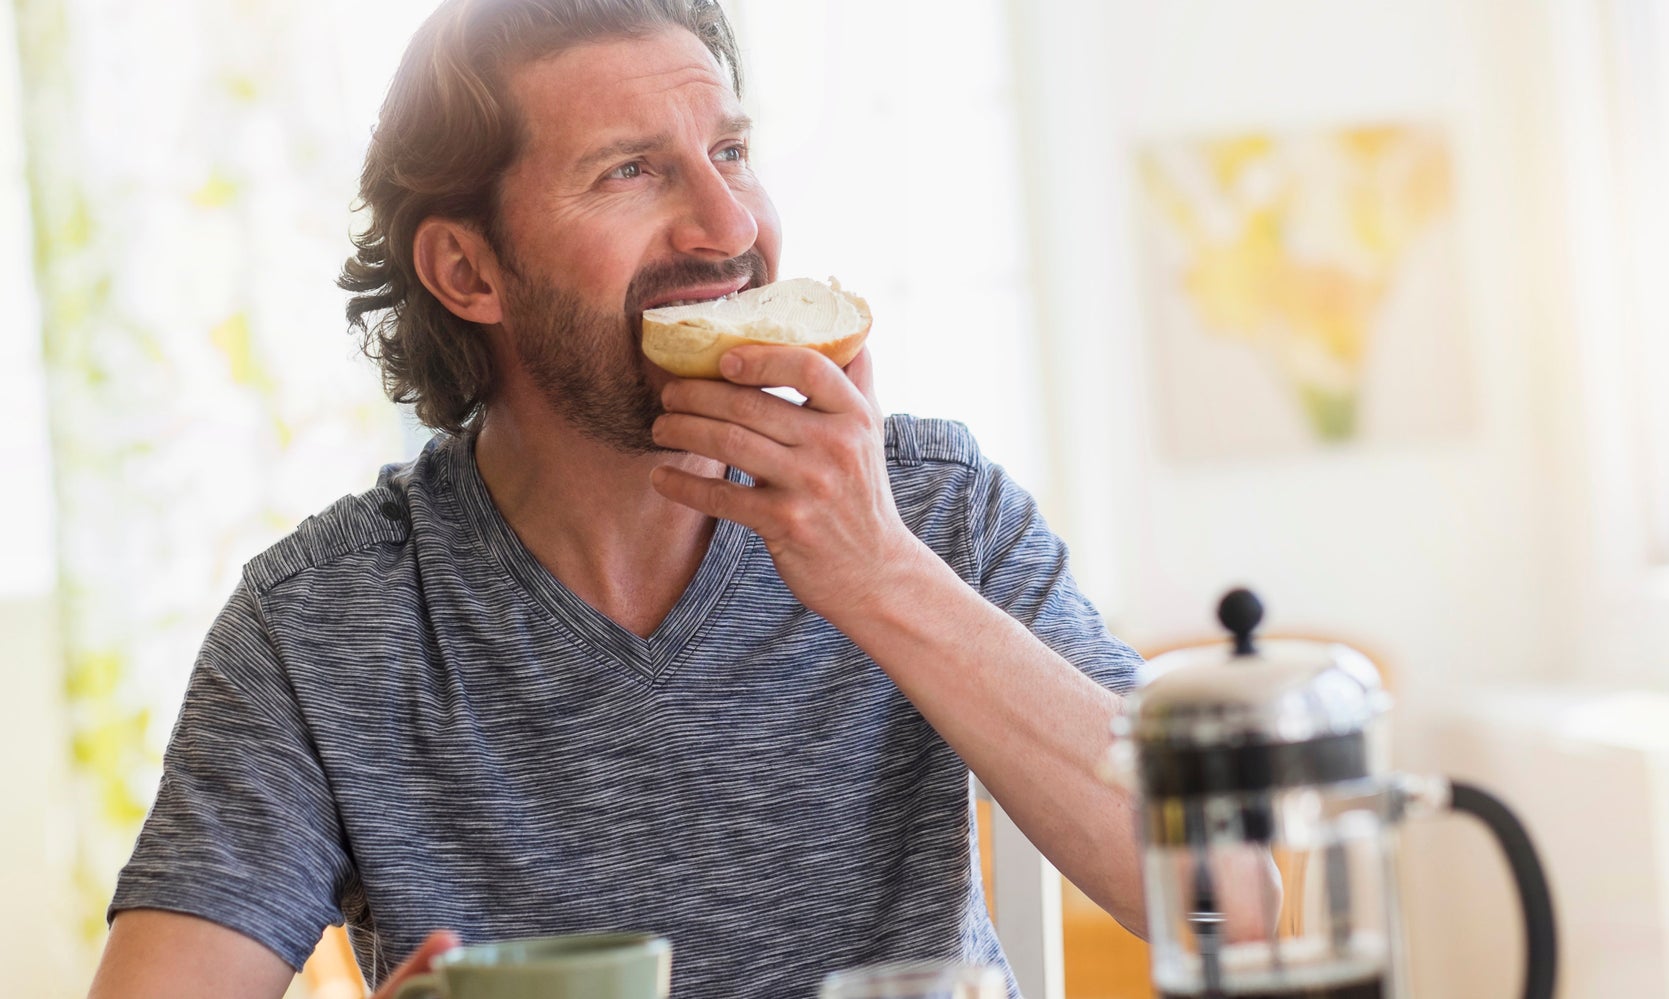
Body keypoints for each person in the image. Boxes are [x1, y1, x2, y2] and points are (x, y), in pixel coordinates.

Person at [87, 1, 1143, 997]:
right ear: (467, 270)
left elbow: (1222, 894)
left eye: (729, 152)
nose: (729, 224)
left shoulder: (932, 507)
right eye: (630, 171)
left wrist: (881, 576)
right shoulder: (318, 628)